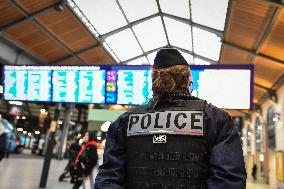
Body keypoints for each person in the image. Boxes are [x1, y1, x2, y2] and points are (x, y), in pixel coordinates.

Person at [94, 48, 247, 189]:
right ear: (188, 80)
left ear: (154, 80)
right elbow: (229, 181)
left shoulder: (124, 122)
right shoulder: (216, 120)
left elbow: (108, 179)